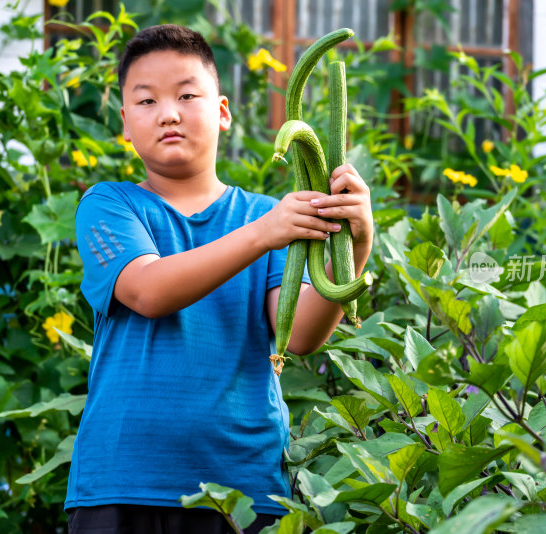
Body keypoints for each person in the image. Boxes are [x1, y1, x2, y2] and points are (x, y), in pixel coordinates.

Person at [65, 24, 373, 534]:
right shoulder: (110, 204)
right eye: (146, 101)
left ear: (223, 111)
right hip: (122, 482)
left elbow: (299, 334)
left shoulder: (265, 216)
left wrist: (356, 243)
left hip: (243, 489)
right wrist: (263, 234)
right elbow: (148, 290)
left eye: (187, 94)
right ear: (124, 122)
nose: (168, 112)